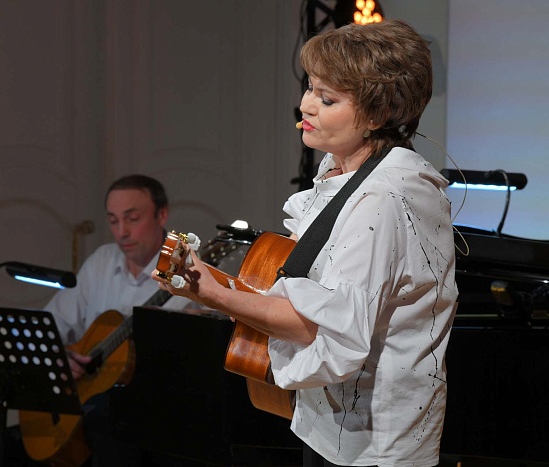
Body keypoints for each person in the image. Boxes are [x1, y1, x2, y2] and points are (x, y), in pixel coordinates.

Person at [154, 19, 458, 467]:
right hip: (327, 424)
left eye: (327, 99)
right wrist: (209, 280)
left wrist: (212, 294)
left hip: (373, 447)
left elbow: (319, 329)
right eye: (311, 88)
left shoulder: (382, 198)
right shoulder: (342, 170)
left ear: (378, 115)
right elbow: (297, 286)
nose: (306, 105)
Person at [0, 174, 190, 467]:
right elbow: (50, 326)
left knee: (106, 425)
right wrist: (59, 358)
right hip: (82, 409)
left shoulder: (186, 268)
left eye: (132, 219)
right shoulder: (103, 260)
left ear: (162, 215)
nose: (121, 232)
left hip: (149, 415)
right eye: (113, 220)